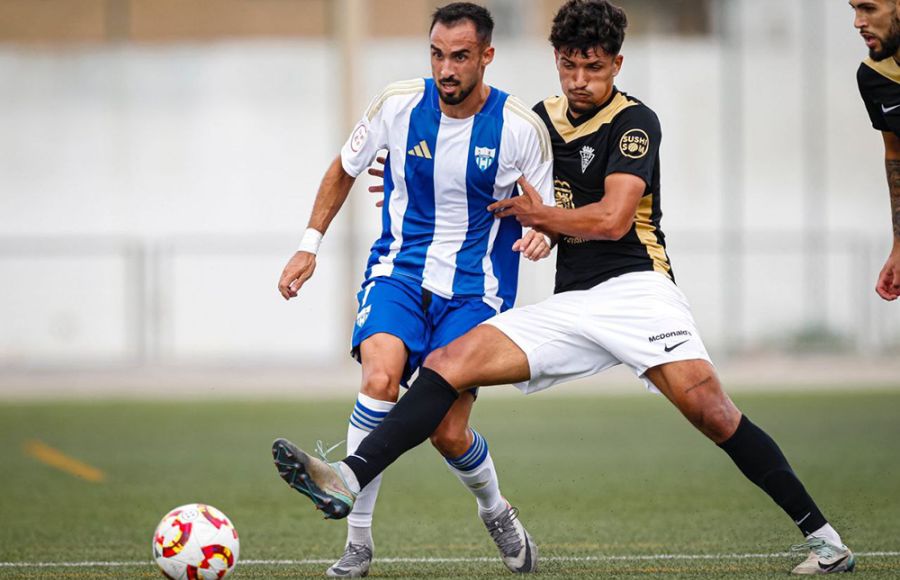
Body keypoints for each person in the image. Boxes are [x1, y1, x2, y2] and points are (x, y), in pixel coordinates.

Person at [271, 0, 856, 576]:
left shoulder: (635, 122)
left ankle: (826, 540)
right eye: (569, 66)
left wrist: (541, 220)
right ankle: (348, 476)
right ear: (555, 60)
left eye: (594, 68)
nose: (580, 81)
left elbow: (611, 220)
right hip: (571, 303)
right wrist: (415, 177)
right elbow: (498, 179)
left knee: (711, 410)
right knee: (448, 363)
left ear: (616, 65)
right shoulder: (538, 123)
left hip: (637, 289)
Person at [273, 3, 553, 576]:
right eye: (436, 54)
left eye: (459, 56)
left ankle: (495, 510)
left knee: (448, 433)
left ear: (486, 57)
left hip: (477, 291)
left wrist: (542, 235)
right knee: (378, 379)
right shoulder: (398, 103)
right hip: (398, 272)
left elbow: (547, 212)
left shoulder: (521, 129)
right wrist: (309, 244)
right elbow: (344, 167)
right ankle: (356, 542)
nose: (445, 69)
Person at [853, 0, 900, 301]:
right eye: (854, 9)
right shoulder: (873, 77)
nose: (858, 22)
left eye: (868, 8)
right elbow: (895, 153)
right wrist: (899, 245)